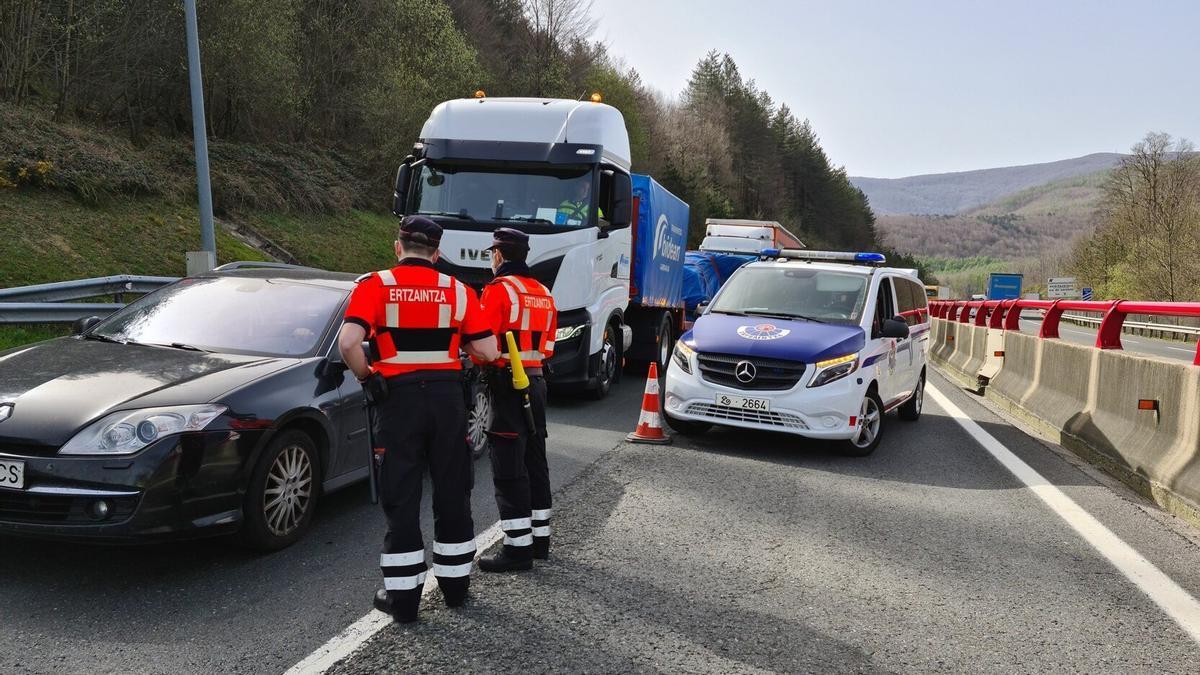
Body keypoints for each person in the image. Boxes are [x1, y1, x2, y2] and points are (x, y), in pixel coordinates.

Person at [337, 215, 501, 623]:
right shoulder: (459, 291)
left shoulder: (375, 286)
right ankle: (456, 588)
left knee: (402, 493)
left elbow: (348, 343)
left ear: (399, 247)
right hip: (447, 400)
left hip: (398, 402)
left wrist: (368, 377)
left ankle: (404, 601)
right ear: (437, 252)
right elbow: (490, 350)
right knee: (452, 489)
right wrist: (467, 354)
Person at [477, 228, 558, 572]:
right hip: (537, 381)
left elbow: (485, 345)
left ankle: (517, 549)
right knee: (535, 460)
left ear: (498, 255)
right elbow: (549, 346)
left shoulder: (497, 291)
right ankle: (540, 541)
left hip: (508, 384)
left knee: (509, 466)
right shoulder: (543, 292)